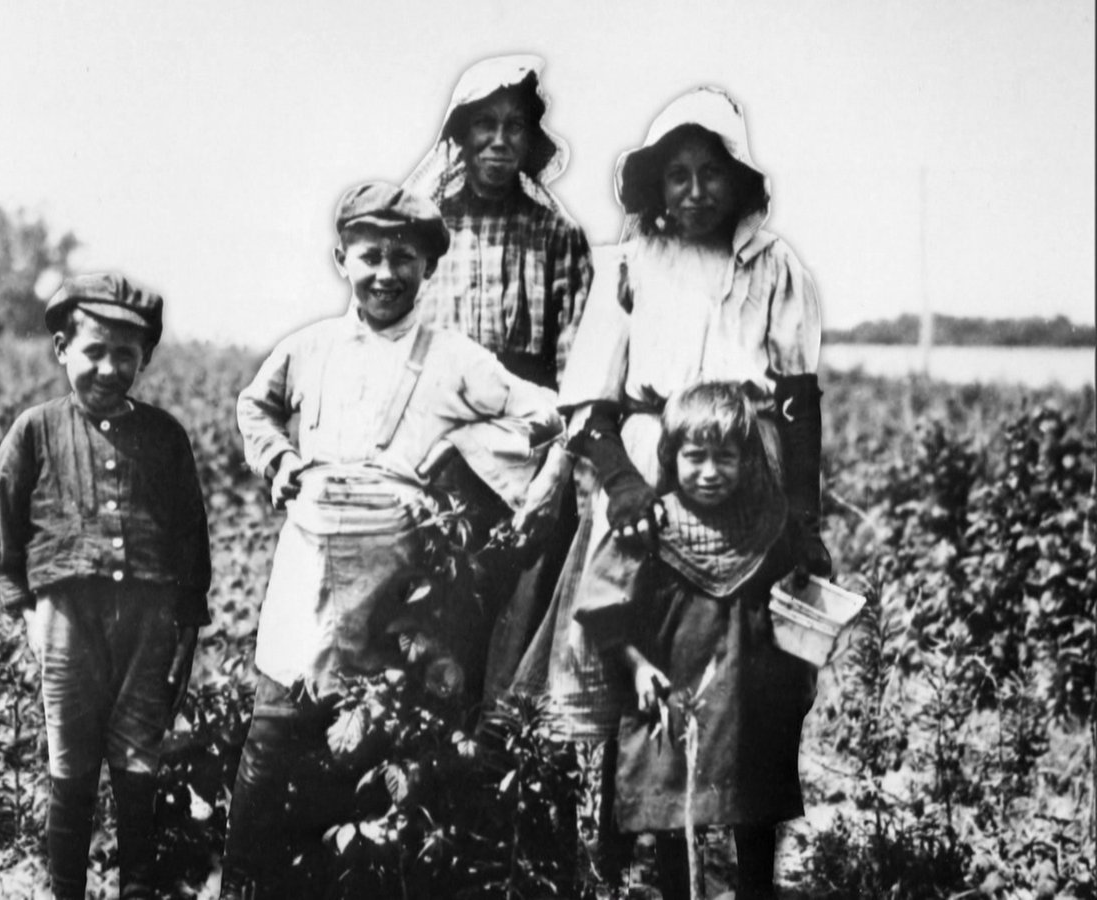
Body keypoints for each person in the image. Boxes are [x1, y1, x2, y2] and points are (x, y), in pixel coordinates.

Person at [509, 85, 830, 879]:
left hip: (744, 481)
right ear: (655, 184)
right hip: (656, 477)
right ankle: (635, 859)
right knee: (637, 664)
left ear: (741, 181)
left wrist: (798, 512)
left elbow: (797, 397)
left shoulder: (773, 265)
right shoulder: (631, 263)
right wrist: (621, 485)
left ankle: (753, 858)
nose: (694, 192)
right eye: (677, 175)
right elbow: (588, 398)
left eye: (710, 173)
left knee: (752, 673)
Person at [220, 183, 561, 900]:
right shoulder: (308, 348)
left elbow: (545, 416)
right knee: (279, 726)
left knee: (388, 733)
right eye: (370, 255)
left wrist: (463, 447)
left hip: (400, 580)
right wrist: (279, 459)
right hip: (309, 562)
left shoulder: (455, 358)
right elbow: (256, 406)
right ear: (341, 258)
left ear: (427, 268)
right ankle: (248, 885)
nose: (385, 273)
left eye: (403, 257)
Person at [0, 273, 211, 900]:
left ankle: (136, 884)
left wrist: (187, 622)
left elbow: (190, 531)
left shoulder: (164, 436)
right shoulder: (36, 427)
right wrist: (24, 608)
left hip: (148, 616)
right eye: (94, 352)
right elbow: (0, 526)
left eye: (126, 355)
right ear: (61, 348)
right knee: (71, 752)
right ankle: (67, 890)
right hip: (66, 615)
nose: (110, 369)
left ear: (144, 358)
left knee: (139, 746)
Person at [575, 381, 815, 899]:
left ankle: (756, 891)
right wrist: (637, 666)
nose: (710, 472)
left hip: (748, 698)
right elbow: (602, 607)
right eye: (695, 456)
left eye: (724, 457)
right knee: (675, 800)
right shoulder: (652, 525)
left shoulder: (767, 520)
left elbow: (797, 592)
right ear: (670, 456)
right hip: (676, 693)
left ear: (748, 460)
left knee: (753, 801)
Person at [404, 55, 593, 698]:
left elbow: (579, 375)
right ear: (459, 135)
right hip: (438, 456)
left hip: (528, 457)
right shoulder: (424, 229)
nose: (500, 140)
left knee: (518, 639)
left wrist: (556, 476)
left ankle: (505, 782)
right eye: (484, 123)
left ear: (531, 139)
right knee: (433, 633)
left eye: (515, 126)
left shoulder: (556, 234)